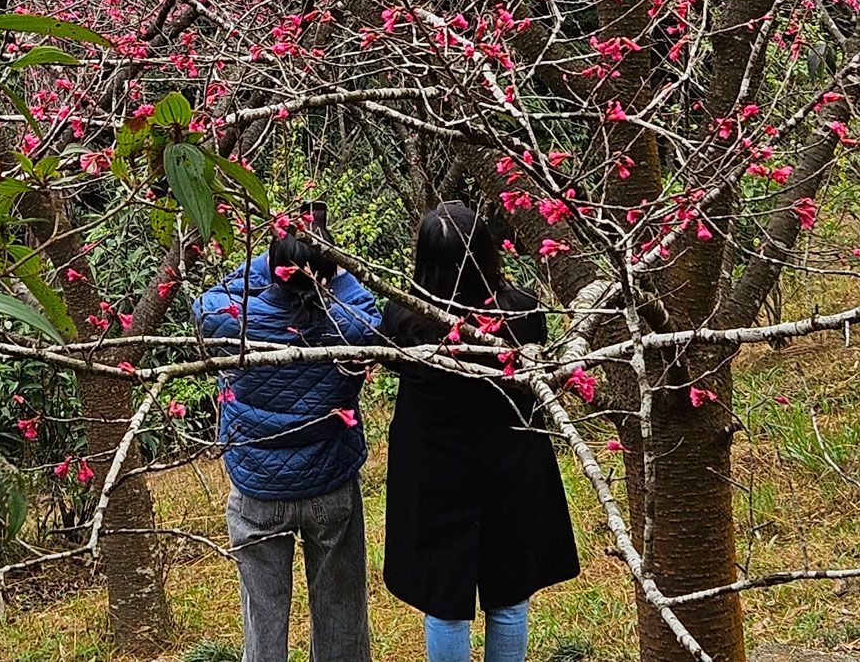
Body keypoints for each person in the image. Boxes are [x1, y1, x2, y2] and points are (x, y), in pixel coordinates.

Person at [380, 201, 579, 662]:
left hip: (434, 471)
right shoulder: (523, 311)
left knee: (444, 602)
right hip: (509, 463)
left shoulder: (405, 320)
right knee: (508, 597)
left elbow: (388, 358)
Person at [193, 213, 381, 662]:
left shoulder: (230, 321)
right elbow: (363, 298)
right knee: (342, 616)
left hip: (257, 487)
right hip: (329, 483)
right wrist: (328, 266)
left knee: (262, 622)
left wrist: (276, 256)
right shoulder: (352, 324)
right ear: (329, 271)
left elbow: (209, 298)